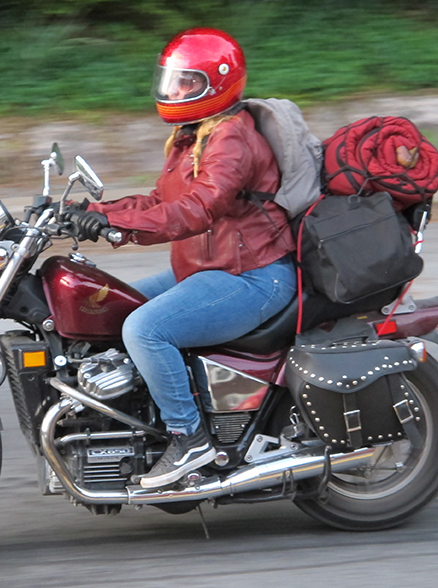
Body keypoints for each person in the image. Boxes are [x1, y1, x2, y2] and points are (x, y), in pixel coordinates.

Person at [70, 28, 298, 489]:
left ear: (216, 83)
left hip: (253, 276)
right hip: (208, 269)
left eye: (185, 83)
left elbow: (199, 209)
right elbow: (160, 199)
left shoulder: (231, 138)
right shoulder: (193, 135)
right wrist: (89, 213)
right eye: (170, 80)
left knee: (144, 327)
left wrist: (120, 228)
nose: (173, 91)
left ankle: (188, 438)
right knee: (113, 303)